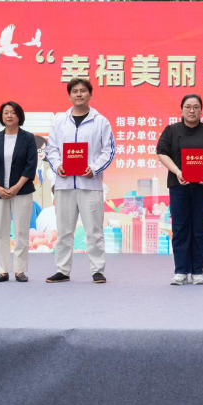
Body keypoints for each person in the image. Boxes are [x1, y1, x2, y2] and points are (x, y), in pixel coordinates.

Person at [45, 78, 114, 284]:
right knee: (64, 231)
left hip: (90, 185)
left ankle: (97, 270)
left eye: (83, 91)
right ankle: (62, 270)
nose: (79, 94)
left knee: (94, 231)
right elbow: (51, 149)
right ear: (69, 95)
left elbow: (108, 151)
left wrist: (94, 168)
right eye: (74, 91)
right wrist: (58, 165)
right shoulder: (60, 121)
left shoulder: (100, 121)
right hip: (64, 185)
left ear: (90, 94)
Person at [156, 94, 203, 286]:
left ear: (201, 110)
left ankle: (197, 271)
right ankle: (180, 271)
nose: (192, 110)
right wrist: (178, 171)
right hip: (179, 186)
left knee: (199, 229)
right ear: (182, 109)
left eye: (196, 107)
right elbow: (162, 153)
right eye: (188, 107)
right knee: (180, 229)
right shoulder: (171, 131)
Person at [0, 101, 37, 283]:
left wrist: (16, 187)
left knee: (21, 232)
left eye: (13, 112)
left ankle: (20, 270)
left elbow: (30, 166)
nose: (9, 115)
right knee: (1, 231)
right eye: (6, 112)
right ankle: (3, 270)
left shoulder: (28, 138)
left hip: (22, 191)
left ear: (19, 116)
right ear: (1, 116)